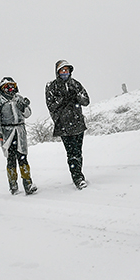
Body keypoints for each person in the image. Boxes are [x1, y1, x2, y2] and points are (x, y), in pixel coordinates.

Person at [45, 60, 90, 189]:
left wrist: (77, 96)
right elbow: (51, 106)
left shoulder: (75, 84)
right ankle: (78, 178)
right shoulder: (51, 86)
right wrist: (63, 100)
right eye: (62, 70)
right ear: (57, 72)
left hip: (78, 123)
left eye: (67, 70)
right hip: (63, 125)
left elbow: (86, 101)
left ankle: (78, 174)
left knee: (78, 151)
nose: (65, 72)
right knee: (71, 153)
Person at [0, 77, 38, 195]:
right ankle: (13, 185)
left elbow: (27, 114)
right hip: (7, 133)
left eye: (12, 86)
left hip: (20, 132)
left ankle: (28, 183)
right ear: (2, 88)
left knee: (23, 157)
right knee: (11, 159)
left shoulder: (18, 99)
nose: (10, 89)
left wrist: (24, 106)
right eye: (6, 87)